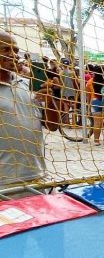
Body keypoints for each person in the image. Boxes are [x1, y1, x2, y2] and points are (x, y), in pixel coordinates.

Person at [0, 30, 59, 190]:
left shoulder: (28, 84)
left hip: (37, 176)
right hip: (4, 183)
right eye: (5, 49)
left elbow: (52, 126)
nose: (13, 54)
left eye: (16, 50)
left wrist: (49, 100)